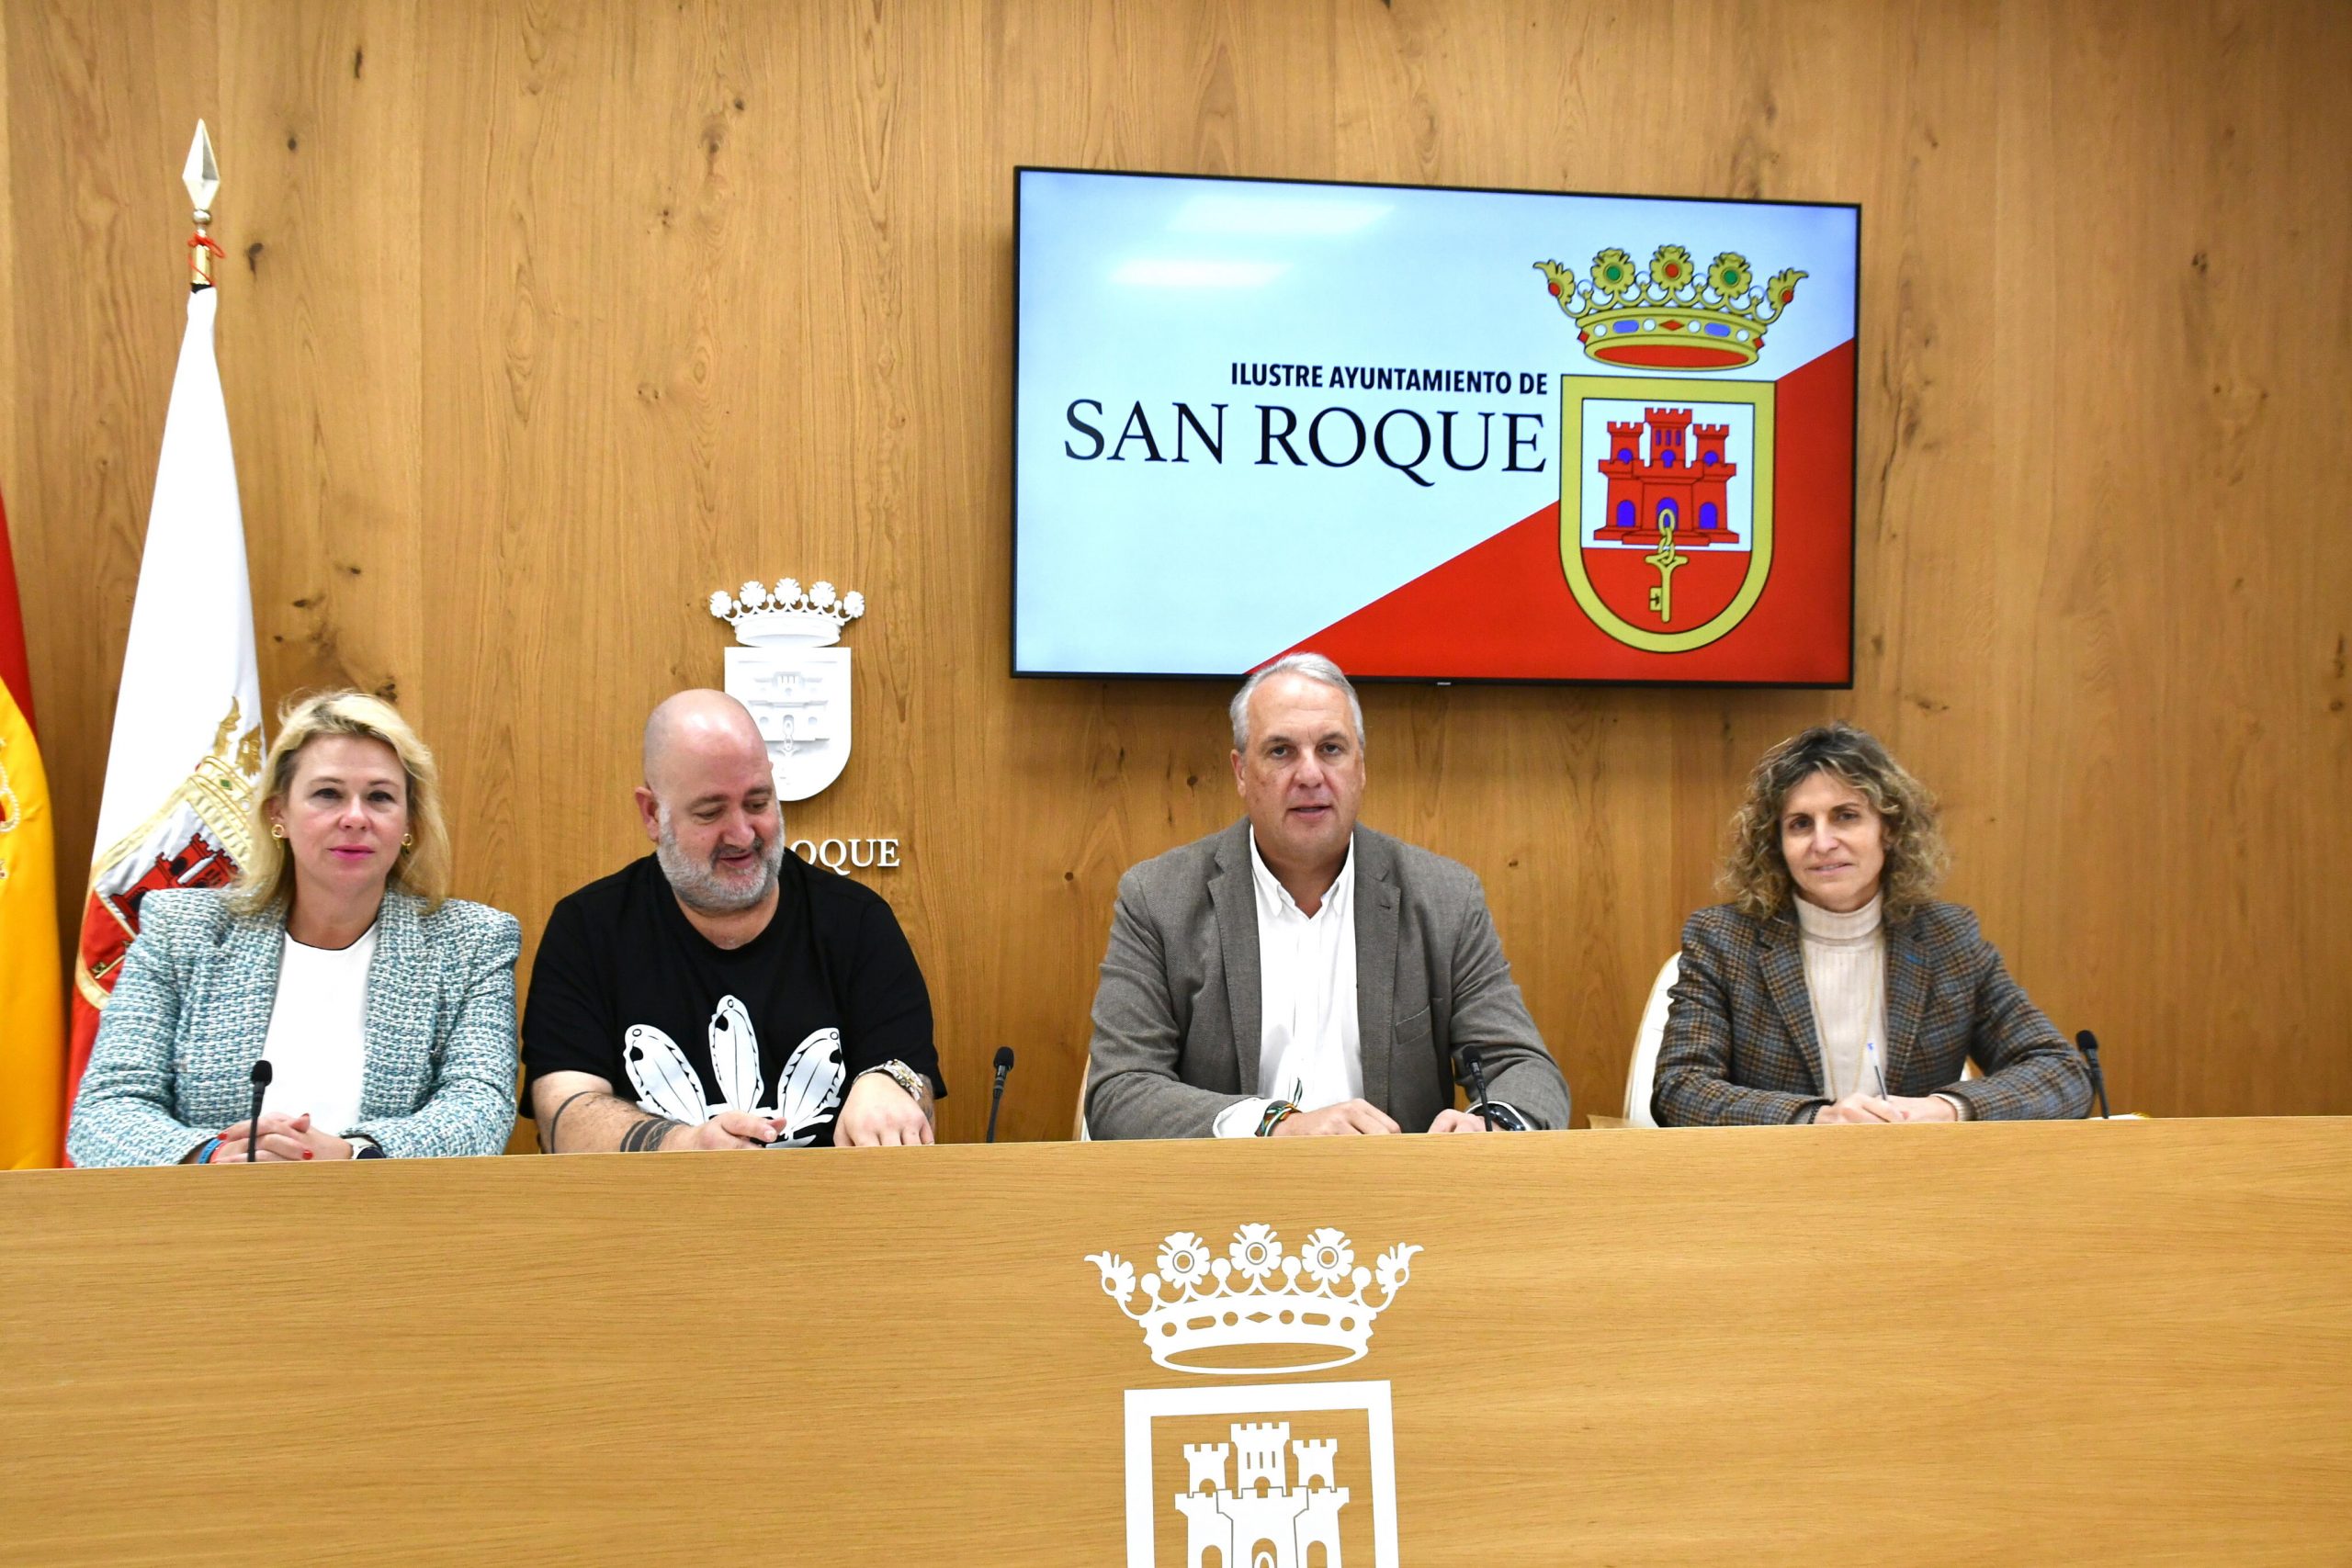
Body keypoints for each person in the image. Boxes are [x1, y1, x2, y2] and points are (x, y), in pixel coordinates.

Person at [1085, 653, 1569, 1139]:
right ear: (1241, 772)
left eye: (1331, 749)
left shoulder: (1444, 898)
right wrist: (1275, 1126)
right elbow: (1120, 1090)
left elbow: (1522, 1066)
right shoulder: (1158, 899)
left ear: (1361, 768)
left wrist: (1492, 1124)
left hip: (1393, 1183)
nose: (1311, 775)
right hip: (1229, 1185)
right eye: (1281, 751)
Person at [68, 692, 520, 1166]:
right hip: (211, 1208)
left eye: (380, 797)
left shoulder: (470, 942)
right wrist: (211, 1157)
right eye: (328, 794)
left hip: (389, 1208)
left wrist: (352, 1156)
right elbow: (105, 1112)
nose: (355, 818)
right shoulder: (183, 930)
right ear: (278, 813)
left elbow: (480, 1109)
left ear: (409, 821)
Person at [524, 690, 942, 1152]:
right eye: (711, 812)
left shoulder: (857, 922)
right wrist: (685, 1146)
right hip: (654, 1199)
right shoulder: (588, 928)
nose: (742, 835)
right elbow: (563, 1116)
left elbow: (914, 1084)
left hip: (833, 1198)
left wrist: (891, 1084)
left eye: (758, 803)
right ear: (652, 814)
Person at [1653, 720, 2090, 1126]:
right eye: (1800, 824)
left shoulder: (1948, 939)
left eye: (1846, 815)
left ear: (1890, 829)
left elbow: (2062, 1072)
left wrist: (1947, 1109)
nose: (1823, 843)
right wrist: (1816, 1119)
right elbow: (1680, 1089)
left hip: (1912, 1173)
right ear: (1777, 845)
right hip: (1775, 1176)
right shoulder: (1725, 941)